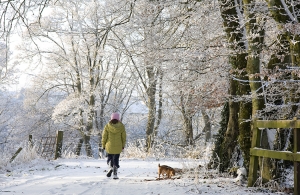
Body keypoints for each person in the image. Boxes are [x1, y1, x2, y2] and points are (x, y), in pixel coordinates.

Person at [102, 112, 126, 179]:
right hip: (118, 146)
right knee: (116, 159)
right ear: (118, 118)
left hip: (109, 146)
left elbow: (104, 136)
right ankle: (115, 172)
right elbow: (124, 137)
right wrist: (123, 145)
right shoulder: (121, 126)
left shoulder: (107, 126)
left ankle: (110, 167)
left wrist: (103, 145)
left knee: (110, 158)